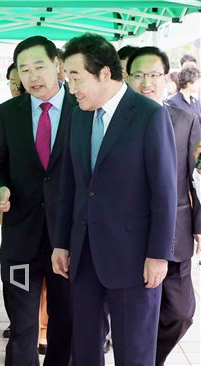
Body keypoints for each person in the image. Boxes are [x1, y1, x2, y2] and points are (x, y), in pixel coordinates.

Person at [53, 33, 177, 366]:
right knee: (86, 351)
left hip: (134, 258)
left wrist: (158, 255)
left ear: (105, 73)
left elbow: (164, 192)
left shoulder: (148, 115)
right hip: (83, 254)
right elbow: (70, 184)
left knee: (133, 353)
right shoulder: (78, 112)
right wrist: (61, 243)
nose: (71, 86)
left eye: (76, 77)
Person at [0, 36, 74, 366]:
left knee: (66, 325)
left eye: (39, 66)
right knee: (22, 327)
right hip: (21, 242)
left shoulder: (83, 109)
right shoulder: (6, 113)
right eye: (24, 70)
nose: (32, 76)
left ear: (57, 65)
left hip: (69, 242)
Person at [127, 46, 200, 366]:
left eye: (154, 75)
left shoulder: (185, 119)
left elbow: (193, 177)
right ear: (126, 78)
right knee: (137, 314)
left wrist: (199, 225)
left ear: (167, 78)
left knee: (181, 313)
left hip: (176, 232)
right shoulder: (115, 119)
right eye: (139, 75)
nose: (146, 82)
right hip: (129, 234)